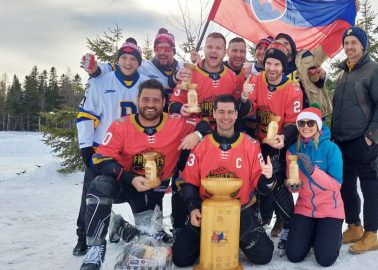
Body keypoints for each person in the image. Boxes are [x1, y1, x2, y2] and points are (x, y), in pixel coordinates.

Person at [79, 79, 206, 270]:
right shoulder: (121, 125)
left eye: (156, 100)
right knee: (100, 184)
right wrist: (130, 178)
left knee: (150, 239)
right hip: (125, 182)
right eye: (145, 99)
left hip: (151, 190)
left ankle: (120, 227)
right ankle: (95, 249)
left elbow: (205, 126)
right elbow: (100, 160)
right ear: (137, 100)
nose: (150, 105)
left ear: (163, 103)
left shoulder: (175, 123)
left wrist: (197, 135)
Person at [172, 95, 275, 267]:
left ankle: (239, 237)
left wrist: (269, 178)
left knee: (263, 256)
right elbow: (188, 181)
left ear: (236, 115)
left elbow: (262, 186)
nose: (225, 117)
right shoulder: (202, 144)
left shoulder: (251, 144)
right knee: (180, 259)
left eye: (229, 112)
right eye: (221, 112)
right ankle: (209, 239)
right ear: (214, 113)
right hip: (207, 211)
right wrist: (193, 208)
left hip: (241, 210)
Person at [73, 38, 148, 256]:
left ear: (138, 62)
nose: (128, 62)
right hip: (103, 151)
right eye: (123, 58)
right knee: (90, 194)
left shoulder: (145, 83)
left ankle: (147, 231)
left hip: (134, 153)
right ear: (117, 61)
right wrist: (86, 150)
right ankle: (83, 237)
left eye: (133, 58)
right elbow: (86, 117)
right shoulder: (101, 81)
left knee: (143, 191)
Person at [331, 26, 378, 254]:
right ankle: (354, 227)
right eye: (346, 43)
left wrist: (370, 138)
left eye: (353, 43)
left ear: (363, 45)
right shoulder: (342, 74)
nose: (349, 47)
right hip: (342, 141)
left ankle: (371, 235)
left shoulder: (375, 71)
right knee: (346, 185)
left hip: (363, 140)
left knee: (369, 185)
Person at [238, 41, 303, 255]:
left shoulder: (292, 88)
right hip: (259, 140)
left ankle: (289, 226)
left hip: (278, 144)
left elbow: (294, 122)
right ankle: (262, 221)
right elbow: (248, 112)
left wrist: (284, 138)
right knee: (258, 183)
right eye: (269, 63)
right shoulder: (257, 80)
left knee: (276, 186)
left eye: (277, 64)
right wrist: (244, 97)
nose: (272, 68)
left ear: (284, 67)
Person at [285, 105, 344, 266]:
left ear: (318, 125)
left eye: (310, 123)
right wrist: (292, 186)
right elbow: (292, 179)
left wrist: (312, 170)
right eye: (301, 124)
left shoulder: (331, 149)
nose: (306, 127)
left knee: (325, 259)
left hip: (329, 210)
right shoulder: (292, 150)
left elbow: (336, 185)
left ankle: (333, 236)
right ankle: (314, 234)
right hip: (304, 208)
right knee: (293, 255)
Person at [82, 28, 191, 112]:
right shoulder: (144, 67)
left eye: (166, 49)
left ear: (174, 51)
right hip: (153, 119)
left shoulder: (184, 68)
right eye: (158, 48)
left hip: (176, 119)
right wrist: (96, 69)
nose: (162, 52)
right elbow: (116, 67)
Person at [169, 32, 240, 129]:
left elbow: (236, 108)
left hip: (223, 132)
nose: (213, 51)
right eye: (210, 47)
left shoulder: (232, 77)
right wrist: (180, 108)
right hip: (195, 132)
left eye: (218, 48)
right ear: (204, 49)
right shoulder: (190, 73)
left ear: (225, 52)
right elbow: (172, 104)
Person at [275, 33, 327, 108]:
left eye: (286, 43)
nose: (283, 46)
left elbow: (318, 83)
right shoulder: (275, 66)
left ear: (291, 45)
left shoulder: (305, 56)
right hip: (288, 112)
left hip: (310, 108)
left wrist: (320, 77)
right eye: (279, 44)